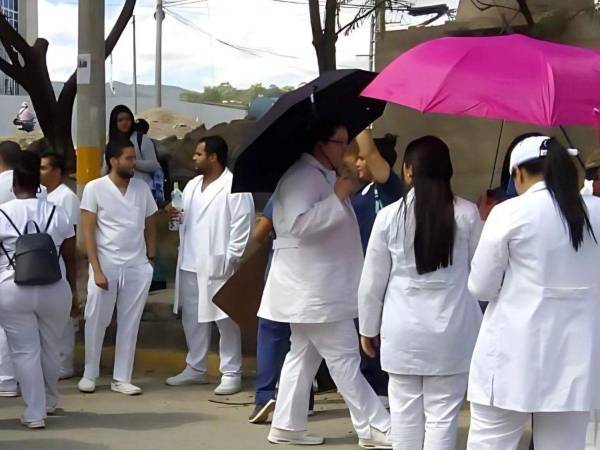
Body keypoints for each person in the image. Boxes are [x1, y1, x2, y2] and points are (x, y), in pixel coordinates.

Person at [259, 118, 391, 448]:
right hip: (313, 290)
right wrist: (338, 196)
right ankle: (374, 426)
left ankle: (287, 426)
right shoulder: (301, 177)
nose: (345, 148)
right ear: (320, 144)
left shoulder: (319, 176)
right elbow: (298, 226)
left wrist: (338, 190)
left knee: (302, 356)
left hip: (316, 288)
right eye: (339, 142)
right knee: (344, 356)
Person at [466, 136, 600, 450]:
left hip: (511, 357)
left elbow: (481, 286)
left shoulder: (509, 212)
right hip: (574, 360)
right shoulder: (595, 211)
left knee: (490, 443)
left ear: (519, 173)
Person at [358, 136, 483, 450]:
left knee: (404, 418)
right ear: (448, 170)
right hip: (453, 332)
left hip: (402, 333)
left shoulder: (388, 217)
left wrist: (367, 328)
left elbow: (372, 281)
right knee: (443, 418)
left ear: (408, 171)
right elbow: (482, 274)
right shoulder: (467, 214)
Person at [166, 136, 254, 396]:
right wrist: (176, 217)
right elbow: (187, 220)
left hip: (219, 262)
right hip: (191, 260)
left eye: (198, 154)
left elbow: (242, 225)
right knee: (192, 318)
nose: (194, 158)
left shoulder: (235, 186)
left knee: (224, 319)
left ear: (213, 157)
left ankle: (231, 372)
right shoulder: (192, 186)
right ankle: (195, 367)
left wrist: (232, 258)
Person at [0, 151, 77, 428]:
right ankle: (49, 401)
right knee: (50, 347)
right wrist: (74, 291)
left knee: (24, 351)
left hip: (11, 288)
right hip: (54, 287)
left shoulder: (2, 213)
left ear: (14, 185)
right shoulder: (58, 212)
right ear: (38, 184)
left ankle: (35, 413)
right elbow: (70, 254)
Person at [78, 138, 157, 395]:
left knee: (130, 322)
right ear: (114, 161)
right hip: (106, 263)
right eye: (129, 158)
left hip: (136, 265)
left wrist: (150, 258)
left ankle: (122, 377)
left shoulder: (141, 189)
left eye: (134, 158)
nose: (134, 163)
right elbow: (88, 232)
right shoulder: (94, 188)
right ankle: (90, 373)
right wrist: (96, 269)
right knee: (96, 319)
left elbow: (150, 221)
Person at [248, 195, 315, 424]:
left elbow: (258, 235)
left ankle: (264, 396)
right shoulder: (327, 190)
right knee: (303, 339)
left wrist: (267, 224)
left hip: (282, 272)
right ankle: (304, 399)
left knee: (270, 333)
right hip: (314, 275)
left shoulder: (281, 193)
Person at [349, 130, 403, 406]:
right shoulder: (360, 193)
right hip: (360, 274)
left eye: (363, 159)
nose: (359, 163)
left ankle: (382, 393)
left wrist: (362, 125)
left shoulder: (392, 188)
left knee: (378, 335)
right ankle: (371, 390)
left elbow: (370, 153)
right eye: (356, 160)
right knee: (364, 333)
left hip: (388, 276)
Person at [39, 152, 81, 380]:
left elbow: (70, 242)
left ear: (57, 171)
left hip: (59, 263)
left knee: (64, 318)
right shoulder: (42, 196)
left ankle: (65, 363)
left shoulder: (66, 198)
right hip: (41, 264)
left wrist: (72, 282)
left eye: (44, 168)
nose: (40, 172)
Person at [0, 141, 22, 398]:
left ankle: (6, 380)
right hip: (34, 266)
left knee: (4, 326)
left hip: (4, 265)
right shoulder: (33, 187)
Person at [107, 105, 161, 190]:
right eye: (120, 120)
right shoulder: (111, 143)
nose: (124, 123)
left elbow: (154, 165)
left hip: (143, 189)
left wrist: (131, 163)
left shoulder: (141, 139)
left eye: (128, 119)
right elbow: (106, 169)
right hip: (118, 190)